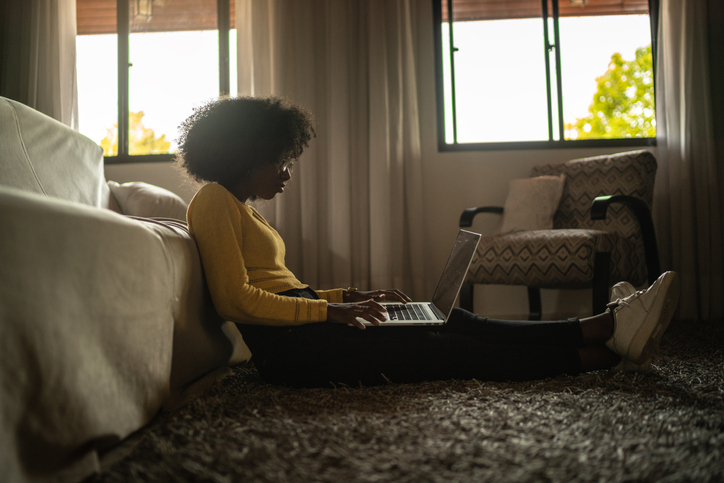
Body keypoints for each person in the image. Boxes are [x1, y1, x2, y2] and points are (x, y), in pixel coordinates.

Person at [175, 96, 680, 388]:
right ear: (246, 154)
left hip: (307, 330)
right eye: (280, 160)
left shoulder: (241, 207)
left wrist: (346, 298)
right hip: (295, 354)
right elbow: (234, 298)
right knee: (451, 349)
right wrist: (330, 314)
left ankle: (601, 329)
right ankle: (609, 347)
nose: (287, 173)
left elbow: (282, 290)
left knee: (450, 319)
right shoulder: (213, 201)